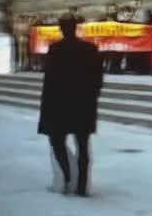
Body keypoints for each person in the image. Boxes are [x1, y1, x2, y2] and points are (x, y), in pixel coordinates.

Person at [38, 13, 104, 197]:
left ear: (61, 28)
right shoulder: (90, 49)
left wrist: (47, 108)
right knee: (83, 145)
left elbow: (49, 81)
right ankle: (82, 185)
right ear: (76, 28)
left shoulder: (55, 49)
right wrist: (92, 97)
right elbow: (98, 78)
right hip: (83, 104)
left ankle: (68, 176)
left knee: (57, 141)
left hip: (60, 104)